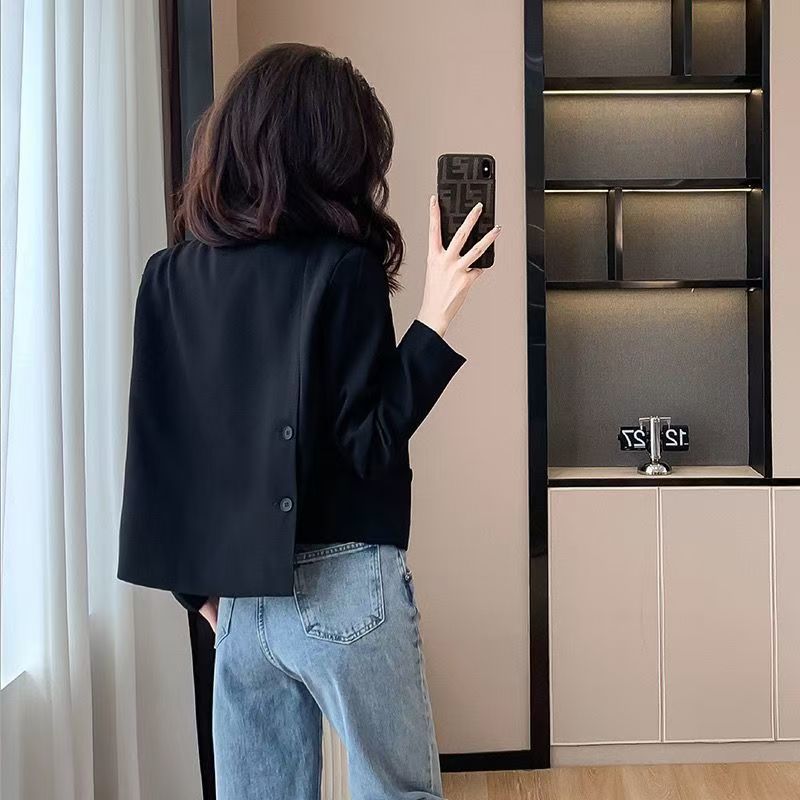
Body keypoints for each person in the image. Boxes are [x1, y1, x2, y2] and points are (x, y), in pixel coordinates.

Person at [117, 42, 500, 800]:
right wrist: (436, 316)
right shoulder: (342, 266)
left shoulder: (168, 276)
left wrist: (199, 597)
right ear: (328, 153)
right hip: (346, 584)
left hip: (235, 598)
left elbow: (160, 454)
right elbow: (369, 442)